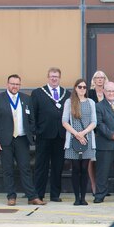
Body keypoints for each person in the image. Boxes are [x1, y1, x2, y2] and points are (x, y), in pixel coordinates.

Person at [0, 74, 44, 206]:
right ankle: (11, 196)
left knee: (25, 168)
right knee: (8, 169)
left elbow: (31, 119)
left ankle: (32, 197)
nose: (15, 86)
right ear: (7, 84)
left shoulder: (26, 99)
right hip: (5, 141)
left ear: (20, 85)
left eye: (17, 84)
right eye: (12, 84)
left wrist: (31, 133)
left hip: (22, 139)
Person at [31, 67, 69, 202]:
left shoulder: (67, 94)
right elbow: (33, 115)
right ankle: (38, 194)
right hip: (44, 136)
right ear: (48, 77)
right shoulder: (38, 93)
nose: (54, 79)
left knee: (58, 166)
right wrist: (35, 132)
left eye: (56, 77)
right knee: (41, 166)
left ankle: (55, 194)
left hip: (61, 136)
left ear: (60, 78)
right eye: (52, 76)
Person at [61, 79, 97, 205]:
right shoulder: (69, 102)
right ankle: (77, 198)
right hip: (73, 139)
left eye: (84, 87)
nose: (82, 89)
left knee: (84, 168)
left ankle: (83, 197)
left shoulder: (91, 102)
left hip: (87, 138)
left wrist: (83, 133)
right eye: (80, 87)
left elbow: (94, 122)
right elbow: (65, 121)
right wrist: (76, 134)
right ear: (75, 88)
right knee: (75, 168)